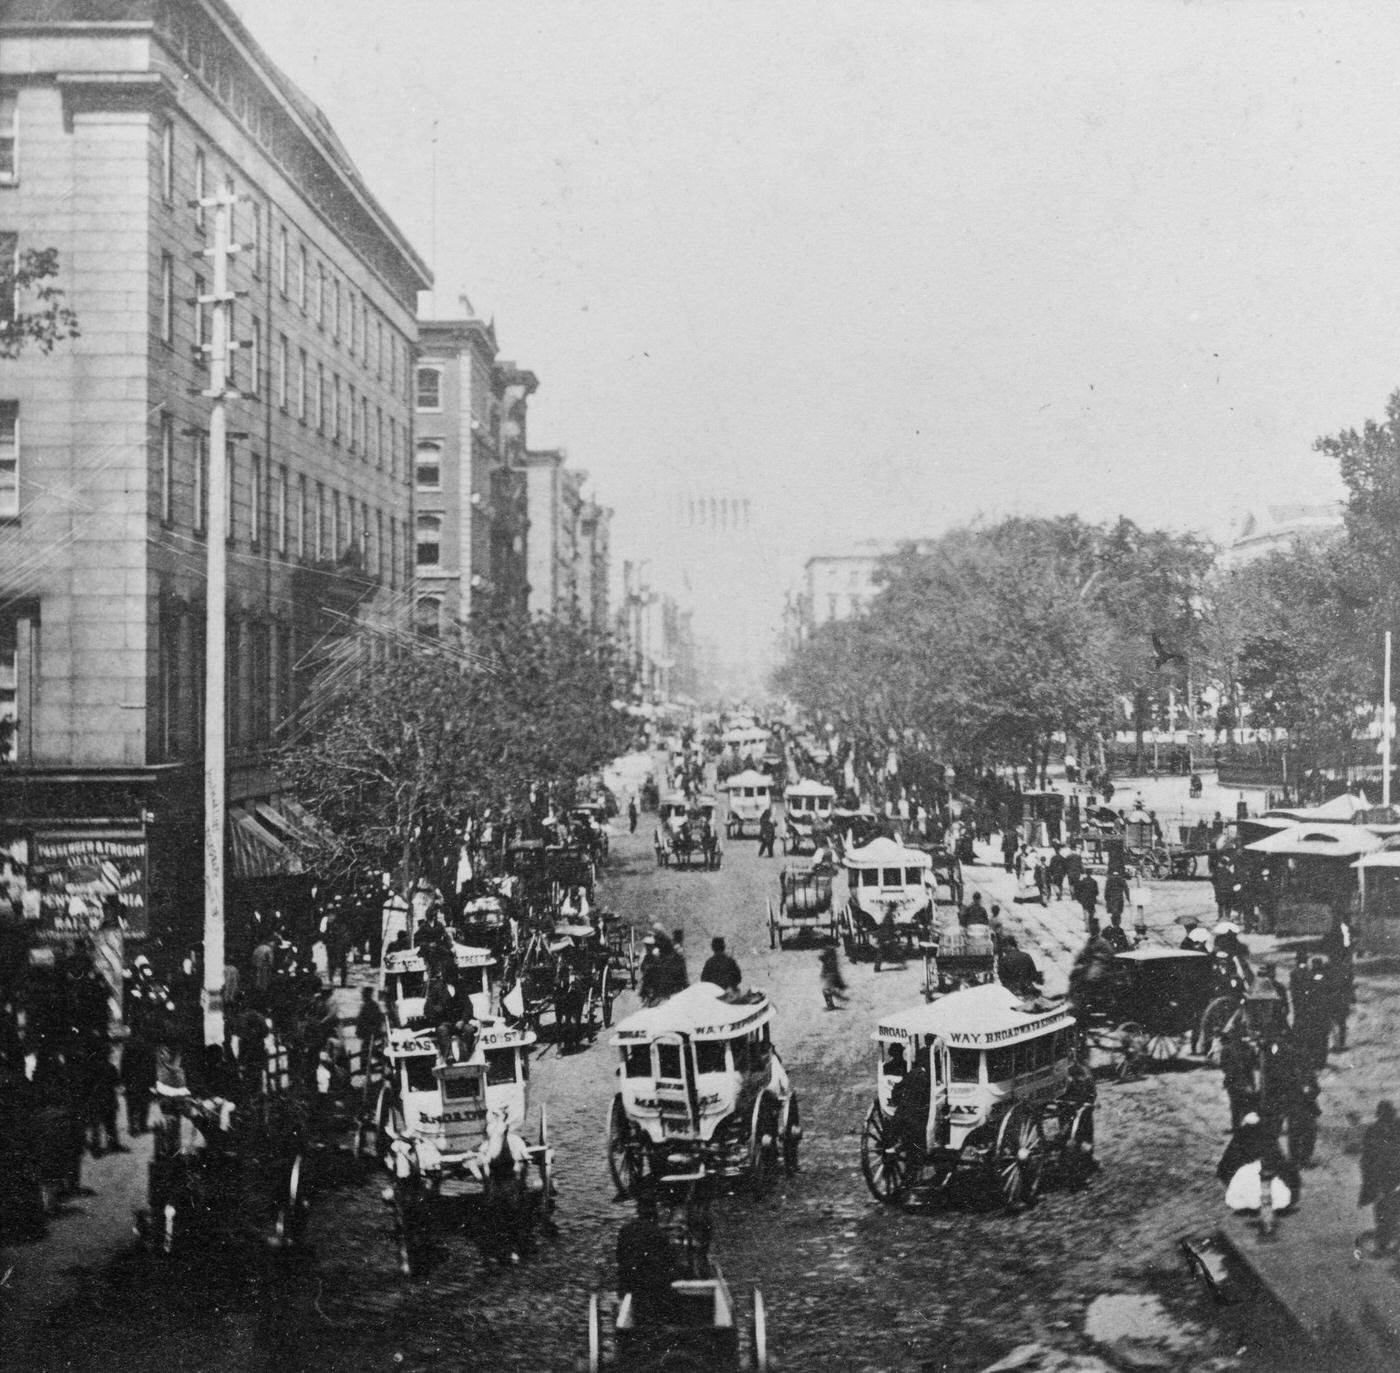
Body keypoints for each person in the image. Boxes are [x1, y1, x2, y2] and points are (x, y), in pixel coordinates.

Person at [1359, 1101, 1400, 1253]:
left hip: (1392, 1177)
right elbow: (1367, 1158)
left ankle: (1389, 1242)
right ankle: (1384, 1243)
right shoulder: (1373, 1131)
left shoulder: (1390, 1129)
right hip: (1382, 1178)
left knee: (1390, 1210)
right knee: (1384, 1210)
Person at [1219, 1029, 1257, 1131]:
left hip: (1233, 1080)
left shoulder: (1226, 1049)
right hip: (1247, 1080)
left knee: (1235, 1105)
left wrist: (1230, 1072)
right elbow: (1255, 1064)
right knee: (1248, 1104)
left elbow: (1223, 1066)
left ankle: (1236, 1127)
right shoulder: (1249, 1048)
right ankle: (1250, 1128)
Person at [354, 986, 385, 1081]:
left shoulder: (371, 1005)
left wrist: (363, 1031)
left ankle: (368, 1075)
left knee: (366, 1055)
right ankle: (369, 1075)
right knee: (369, 1054)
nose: (362, 996)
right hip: (369, 1035)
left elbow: (376, 1020)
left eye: (363, 994)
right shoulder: (369, 1005)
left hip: (370, 1035)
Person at [819, 942, 848, 1010]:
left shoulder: (830, 956)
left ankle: (831, 1004)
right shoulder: (831, 955)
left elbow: (827, 963)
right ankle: (838, 999)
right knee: (827, 989)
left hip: (830, 975)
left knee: (826, 990)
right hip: (830, 975)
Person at [1073, 871, 1100, 936]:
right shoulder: (1094, 881)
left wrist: (1079, 898)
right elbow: (1096, 892)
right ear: (1091, 873)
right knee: (1092, 913)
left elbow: (1077, 890)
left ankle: (1087, 927)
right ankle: (1091, 926)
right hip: (1091, 899)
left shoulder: (1082, 882)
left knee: (1085, 912)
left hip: (1084, 899)